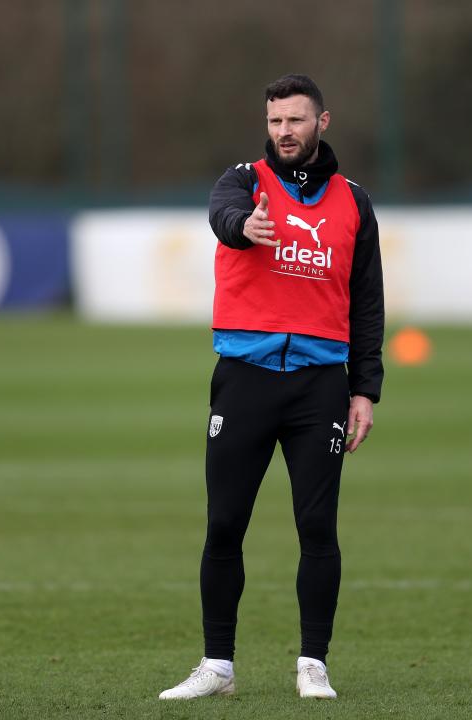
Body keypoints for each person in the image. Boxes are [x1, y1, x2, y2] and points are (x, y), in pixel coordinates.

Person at [159, 74, 384, 700]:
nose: (284, 131)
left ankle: (313, 664)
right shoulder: (243, 182)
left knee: (318, 531)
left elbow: (367, 303)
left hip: (320, 388)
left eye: (296, 120)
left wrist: (365, 389)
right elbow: (223, 216)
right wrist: (242, 227)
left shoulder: (355, 204)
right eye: (276, 120)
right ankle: (217, 667)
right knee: (224, 525)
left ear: (323, 122)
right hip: (244, 382)